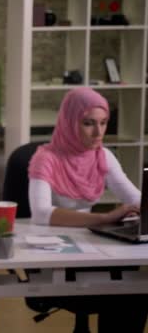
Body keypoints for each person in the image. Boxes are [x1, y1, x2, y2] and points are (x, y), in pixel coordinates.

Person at [28, 87, 147, 332]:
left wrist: (139, 209)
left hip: (90, 248)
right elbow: (41, 213)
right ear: (70, 122)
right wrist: (104, 217)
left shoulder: (102, 156)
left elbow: (135, 197)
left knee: (136, 288)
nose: (98, 132)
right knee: (123, 290)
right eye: (89, 123)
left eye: (103, 123)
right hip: (55, 254)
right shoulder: (46, 158)